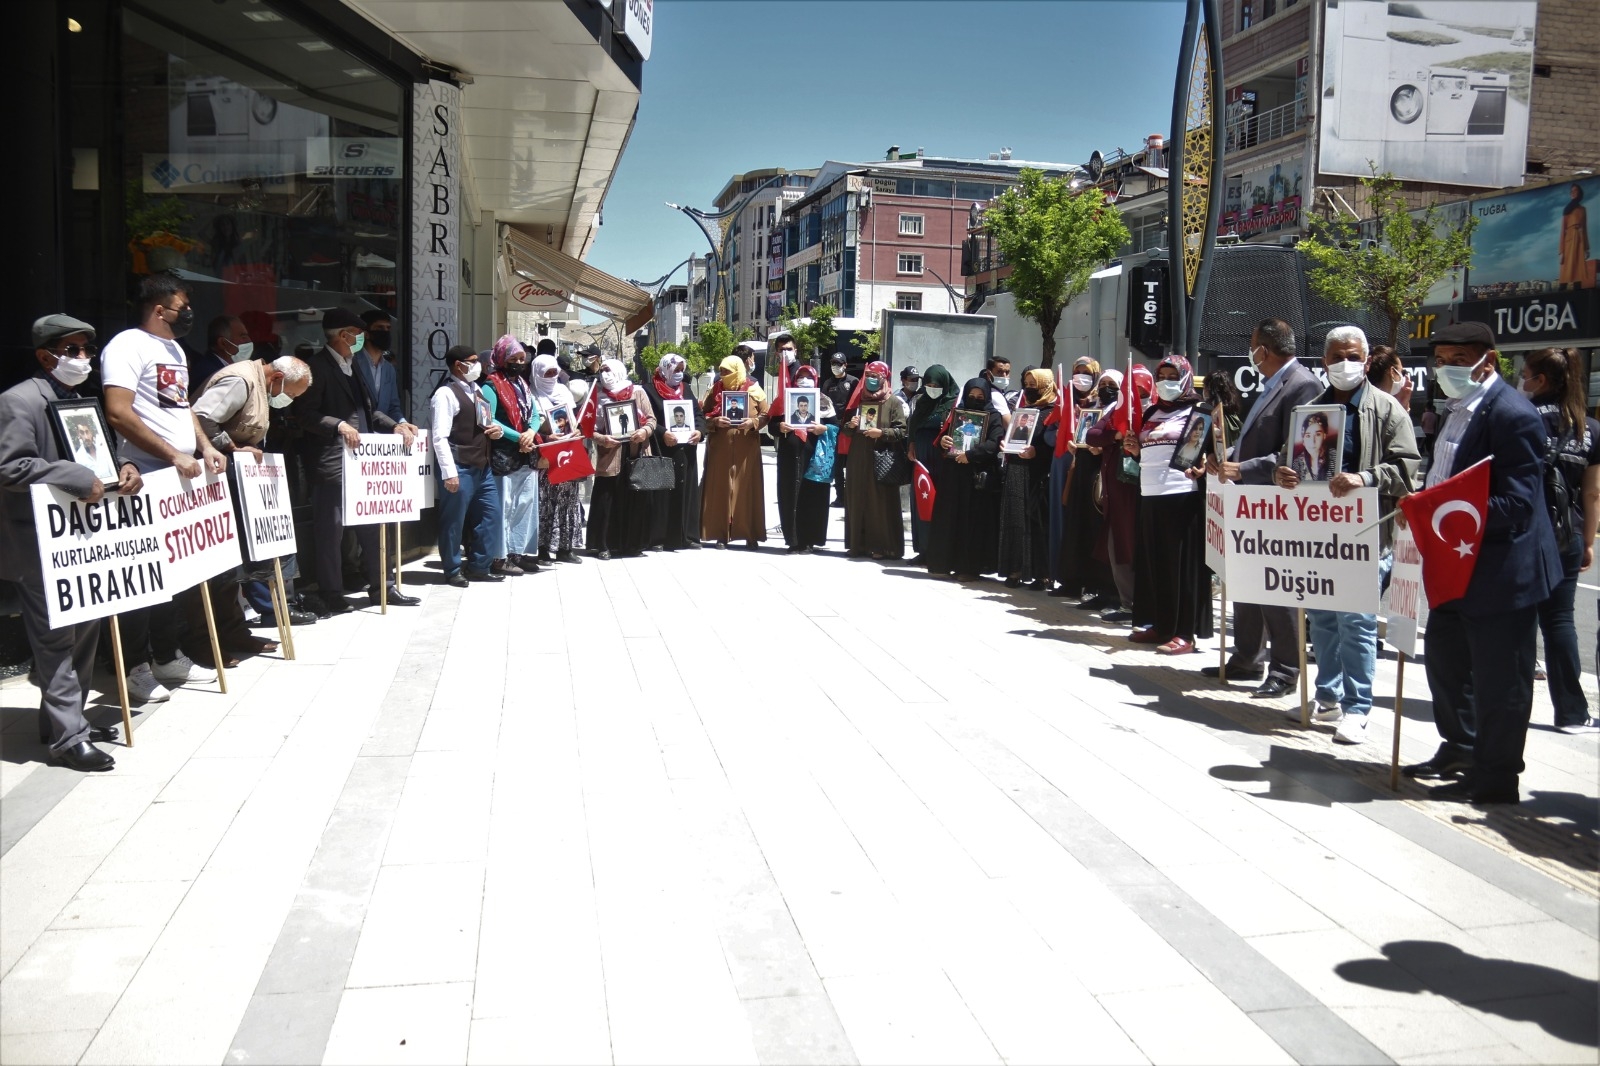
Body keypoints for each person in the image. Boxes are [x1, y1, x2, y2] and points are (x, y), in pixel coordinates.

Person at [1405, 322, 1561, 805]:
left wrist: (1435, 515)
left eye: (1455, 360)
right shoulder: (1454, 410)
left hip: (1500, 571)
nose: (1444, 369)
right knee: (1447, 666)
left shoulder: (1513, 416)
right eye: (1440, 360)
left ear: (1485, 362)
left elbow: (1516, 504)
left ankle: (1496, 777)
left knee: (1501, 681)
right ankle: (1461, 748)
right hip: (1454, 566)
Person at [0, 315, 141, 770]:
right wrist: (72, 476)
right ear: (46, 356)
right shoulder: (18, 401)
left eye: (86, 349)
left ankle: (64, 717)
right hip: (38, 544)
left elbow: (97, 455)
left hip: (84, 541)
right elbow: (10, 467)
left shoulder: (81, 399)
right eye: (75, 350)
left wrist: (123, 469)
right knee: (56, 639)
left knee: (86, 629)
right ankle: (67, 739)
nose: (85, 358)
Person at [1273, 326, 1421, 744]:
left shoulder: (1388, 409)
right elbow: (1292, 461)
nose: (1345, 364)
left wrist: (1365, 477)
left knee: (1355, 621)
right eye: (1337, 356)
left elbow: (1408, 469)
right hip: (1321, 535)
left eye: (1354, 356)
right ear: (1323, 361)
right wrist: (1281, 473)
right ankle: (1327, 697)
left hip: (1367, 535)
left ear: (1368, 359)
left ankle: (1358, 708)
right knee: (1321, 619)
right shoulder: (1311, 409)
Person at [101, 272, 224, 698]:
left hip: (179, 474)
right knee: (142, 573)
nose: (188, 313)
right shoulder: (126, 345)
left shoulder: (173, 348)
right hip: (146, 473)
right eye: (182, 305)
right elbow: (118, 411)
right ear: (160, 309)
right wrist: (173, 454)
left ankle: (167, 656)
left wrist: (203, 446)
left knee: (177, 570)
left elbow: (181, 406)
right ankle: (134, 664)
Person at [1204, 319, 1322, 695]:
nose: (1250, 353)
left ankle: (1285, 670)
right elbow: (1254, 441)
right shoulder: (1272, 385)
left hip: (1278, 505)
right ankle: (1246, 658)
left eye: (1252, 345)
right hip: (1250, 503)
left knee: (1276, 588)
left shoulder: (1303, 385)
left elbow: (1299, 452)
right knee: (1247, 581)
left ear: (1264, 350)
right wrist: (1225, 459)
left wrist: (1247, 468)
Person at [290, 306, 419, 614]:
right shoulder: (317, 367)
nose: (362, 339)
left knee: (374, 525)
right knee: (330, 531)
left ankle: (382, 586)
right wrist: (338, 425)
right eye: (358, 333)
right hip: (332, 462)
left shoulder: (354, 366)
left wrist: (396, 424)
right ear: (342, 335)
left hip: (363, 462)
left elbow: (370, 410)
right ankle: (331, 591)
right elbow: (305, 415)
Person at [194, 354, 316, 632]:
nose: (291, 401)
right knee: (230, 558)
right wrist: (232, 447)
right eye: (292, 394)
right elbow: (201, 418)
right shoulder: (241, 381)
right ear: (277, 378)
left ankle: (244, 623)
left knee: (252, 551)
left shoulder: (260, 384)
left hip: (242, 476)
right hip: (219, 477)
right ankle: (230, 627)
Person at [1520, 347, 1600, 733]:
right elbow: (1592, 493)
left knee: (1519, 622)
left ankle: (1510, 707)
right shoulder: (1589, 429)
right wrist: (1587, 542)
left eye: (1525, 373)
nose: (1521, 380)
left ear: (1541, 380)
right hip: (1567, 535)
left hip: (1524, 534)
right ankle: (1571, 713)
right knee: (1560, 621)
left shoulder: (1522, 418)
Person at [1125, 355, 1211, 655]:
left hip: (1181, 494)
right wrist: (1136, 450)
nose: (1165, 381)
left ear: (1186, 377)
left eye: (1172, 375)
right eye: (1160, 375)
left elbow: (1205, 452)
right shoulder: (1151, 412)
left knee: (1180, 566)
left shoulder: (1198, 410)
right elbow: (1150, 452)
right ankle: (1161, 625)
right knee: (1156, 564)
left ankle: (1184, 632)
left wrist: (1204, 466)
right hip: (1150, 493)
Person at [1084, 365, 1154, 624]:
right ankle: (1128, 604)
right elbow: (1092, 434)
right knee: (1118, 547)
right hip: (1119, 493)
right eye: (1131, 391)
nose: (1137, 395)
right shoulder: (1117, 411)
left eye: (1142, 390)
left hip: (1150, 494)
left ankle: (1146, 607)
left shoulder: (1159, 412)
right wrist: (1117, 434)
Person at [431, 346, 504, 587]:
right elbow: (439, 437)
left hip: (482, 467)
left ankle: (479, 566)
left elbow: (487, 423)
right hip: (460, 466)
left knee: (490, 516)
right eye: (472, 361)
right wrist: (449, 472)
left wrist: (497, 431)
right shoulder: (445, 394)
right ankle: (452, 570)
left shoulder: (478, 390)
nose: (478, 365)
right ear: (457, 365)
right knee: (453, 521)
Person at [926, 378, 1004, 580]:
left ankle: (969, 568)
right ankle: (944, 563)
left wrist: (971, 455)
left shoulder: (994, 417)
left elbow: (994, 443)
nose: (976, 399)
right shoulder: (957, 413)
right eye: (972, 396)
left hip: (976, 477)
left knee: (972, 522)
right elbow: (944, 438)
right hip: (953, 476)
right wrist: (944, 442)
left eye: (980, 397)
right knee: (950, 518)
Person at [586, 358, 658, 559]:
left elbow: (652, 419)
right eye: (602, 370)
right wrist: (602, 439)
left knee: (634, 500)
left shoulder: (637, 391)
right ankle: (604, 545)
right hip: (610, 455)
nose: (604, 374)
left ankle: (632, 544)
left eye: (608, 370)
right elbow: (588, 427)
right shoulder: (597, 395)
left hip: (636, 453)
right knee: (607, 501)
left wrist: (644, 432)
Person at [482, 334, 542, 575]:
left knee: (525, 505)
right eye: (514, 358)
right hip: (504, 455)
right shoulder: (491, 385)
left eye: (522, 358)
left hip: (526, 454)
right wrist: (519, 437)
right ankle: (499, 557)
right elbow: (490, 419)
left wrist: (531, 432)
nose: (519, 363)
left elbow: (535, 414)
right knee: (504, 506)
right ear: (501, 359)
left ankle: (518, 552)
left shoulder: (523, 384)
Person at [1057, 367, 1117, 607]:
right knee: (1077, 527)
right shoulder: (1091, 407)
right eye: (1103, 384)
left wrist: (1102, 448)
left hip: (1100, 475)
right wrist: (1076, 445)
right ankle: (1074, 580)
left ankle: (1098, 587)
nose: (1106, 389)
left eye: (1112, 385)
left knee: (1095, 531)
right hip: (1082, 470)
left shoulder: (1118, 411)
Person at [998, 367, 1059, 589]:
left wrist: (1038, 452)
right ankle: (1015, 570)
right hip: (1016, 469)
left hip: (1038, 475)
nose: (1029, 388)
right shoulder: (1022, 410)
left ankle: (1041, 575)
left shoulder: (1054, 412)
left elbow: (1056, 446)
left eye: (1035, 384)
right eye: (1027, 383)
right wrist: (1005, 444)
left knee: (1037, 523)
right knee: (1015, 520)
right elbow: (1012, 435)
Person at [842, 360, 907, 560]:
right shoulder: (858, 399)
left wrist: (882, 433)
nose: (871, 380)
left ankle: (882, 546)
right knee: (857, 499)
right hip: (859, 458)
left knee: (880, 503)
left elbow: (902, 431)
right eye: (868, 376)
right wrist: (851, 425)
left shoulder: (893, 402)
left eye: (875, 376)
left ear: (884, 378)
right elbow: (845, 429)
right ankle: (858, 544)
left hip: (881, 458)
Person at [701, 355, 767, 549]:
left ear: (737, 371)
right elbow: (702, 416)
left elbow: (766, 415)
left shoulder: (754, 389)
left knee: (747, 489)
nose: (723, 376)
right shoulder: (715, 391)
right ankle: (721, 534)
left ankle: (749, 534)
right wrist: (714, 422)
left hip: (747, 449)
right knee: (720, 489)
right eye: (721, 372)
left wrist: (753, 423)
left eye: (727, 372)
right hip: (720, 448)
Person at [1046, 356, 1097, 595]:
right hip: (1062, 463)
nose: (1081, 376)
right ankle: (1063, 576)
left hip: (1088, 467)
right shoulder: (1062, 400)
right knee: (1060, 518)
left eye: (1087, 372)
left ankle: (1086, 580)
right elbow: (1047, 432)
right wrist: (1060, 437)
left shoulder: (1100, 401)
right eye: (1077, 371)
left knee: (1082, 521)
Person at [645, 352, 704, 551]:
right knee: (662, 493)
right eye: (675, 370)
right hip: (663, 450)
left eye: (681, 370)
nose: (679, 374)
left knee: (686, 492)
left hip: (685, 451)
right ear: (665, 369)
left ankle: (686, 536)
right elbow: (646, 418)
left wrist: (699, 432)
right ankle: (659, 538)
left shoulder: (685, 389)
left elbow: (698, 414)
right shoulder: (650, 390)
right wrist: (662, 433)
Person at [531, 352, 586, 564]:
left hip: (569, 450)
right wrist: (546, 437)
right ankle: (543, 548)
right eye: (547, 373)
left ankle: (565, 547)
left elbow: (572, 418)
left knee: (569, 501)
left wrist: (578, 431)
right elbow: (532, 424)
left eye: (555, 372)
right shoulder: (532, 393)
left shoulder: (564, 390)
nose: (552, 376)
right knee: (545, 502)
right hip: (546, 452)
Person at [906, 364, 957, 565]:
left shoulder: (953, 403)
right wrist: (911, 444)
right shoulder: (922, 402)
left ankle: (940, 550)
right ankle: (924, 550)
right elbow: (914, 425)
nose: (932, 387)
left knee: (939, 503)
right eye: (928, 384)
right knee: (921, 502)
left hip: (942, 459)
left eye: (936, 384)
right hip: (921, 458)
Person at [356, 309, 408, 427]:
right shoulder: (352, 363)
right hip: (358, 435)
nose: (385, 332)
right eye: (379, 328)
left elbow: (393, 407)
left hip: (382, 437)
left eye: (388, 328)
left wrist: (403, 423)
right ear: (366, 333)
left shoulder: (389, 369)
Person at [821, 352, 857, 506]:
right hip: (833, 429)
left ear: (845, 365)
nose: (835, 366)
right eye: (833, 363)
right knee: (836, 465)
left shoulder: (853, 382)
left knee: (851, 465)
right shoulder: (828, 383)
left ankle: (852, 497)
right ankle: (840, 497)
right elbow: (823, 406)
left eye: (838, 363)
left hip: (851, 430)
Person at [191, 314, 252, 396]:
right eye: (243, 336)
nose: (249, 340)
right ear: (223, 343)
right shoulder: (209, 375)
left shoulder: (232, 368)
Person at [1558, 183, 1589, 290]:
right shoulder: (1567, 210)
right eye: (1571, 191)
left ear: (1579, 192)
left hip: (1579, 240)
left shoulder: (1582, 210)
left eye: (1575, 190)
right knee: (1566, 269)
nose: (1573, 193)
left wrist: (1586, 248)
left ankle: (1577, 293)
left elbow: (1584, 228)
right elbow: (1563, 230)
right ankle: (1561, 292)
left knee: (1578, 270)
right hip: (1569, 241)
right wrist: (1561, 251)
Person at [1290, 411, 1335, 481]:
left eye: (1317, 435)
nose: (1312, 441)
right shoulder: (1298, 462)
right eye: (1308, 436)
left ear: (1324, 435)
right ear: (1303, 439)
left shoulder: (1334, 457)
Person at [1367, 345, 1413, 411]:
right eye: (1402, 372)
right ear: (1392, 372)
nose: (1404, 377)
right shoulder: (1383, 409)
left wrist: (1403, 405)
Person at [982, 354, 1014, 424]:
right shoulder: (995, 395)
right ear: (989, 374)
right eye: (1000, 372)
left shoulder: (985, 389)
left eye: (1007, 372)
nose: (1004, 376)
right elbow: (1009, 424)